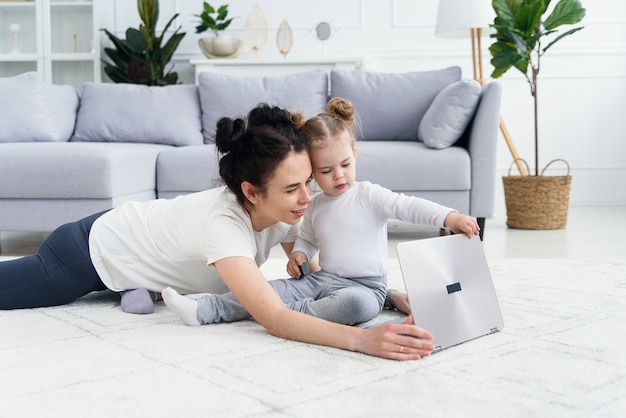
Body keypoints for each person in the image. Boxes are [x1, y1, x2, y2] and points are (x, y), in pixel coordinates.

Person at [0, 103, 436, 360]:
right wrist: (363, 339)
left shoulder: (286, 210)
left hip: (135, 244)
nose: (308, 197)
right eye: (292, 188)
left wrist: (385, 295)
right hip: (84, 253)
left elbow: (318, 272)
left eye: (309, 180)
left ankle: (139, 285)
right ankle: (131, 282)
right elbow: (276, 317)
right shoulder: (225, 226)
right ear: (251, 191)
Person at [162, 98, 480, 329]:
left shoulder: (369, 195)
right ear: (312, 170)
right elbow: (309, 239)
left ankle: (297, 312)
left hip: (367, 288)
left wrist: (449, 218)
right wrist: (299, 255)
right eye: (325, 171)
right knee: (268, 287)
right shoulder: (313, 204)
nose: (339, 176)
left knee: (354, 306)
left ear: (354, 154)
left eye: (345, 165)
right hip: (323, 279)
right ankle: (203, 309)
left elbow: (409, 207)